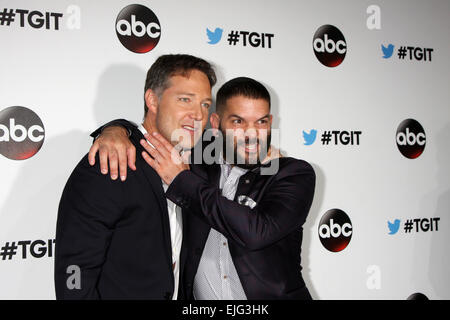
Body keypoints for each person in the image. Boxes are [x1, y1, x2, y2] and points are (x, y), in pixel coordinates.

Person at [89, 77, 316, 300]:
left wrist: (181, 181)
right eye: (238, 122)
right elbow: (155, 132)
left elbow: (256, 232)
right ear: (216, 124)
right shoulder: (196, 161)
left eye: (261, 122)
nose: (252, 134)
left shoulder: (292, 174)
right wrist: (116, 130)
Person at [54, 54, 216, 299]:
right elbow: (75, 271)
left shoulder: (193, 165)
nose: (198, 115)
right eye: (185, 100)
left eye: (205, 104)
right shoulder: (109, 163)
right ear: (152, 100)